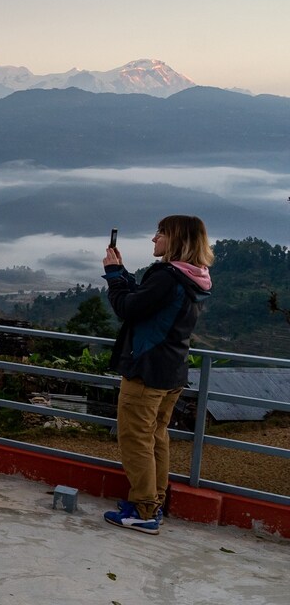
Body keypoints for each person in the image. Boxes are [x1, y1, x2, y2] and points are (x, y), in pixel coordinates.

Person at [102, 215, 212, 535]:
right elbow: (147, 302)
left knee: (136, 439)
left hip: (146, 371)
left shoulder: (167, 276)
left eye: (160, 234)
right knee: (155, 437)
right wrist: (122, 273)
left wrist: (112, 276)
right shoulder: (194, 277)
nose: (154, 240)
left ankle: (143, 509)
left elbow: (128, 308)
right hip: (172, 370)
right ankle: (154, 503)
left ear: (176, 240)